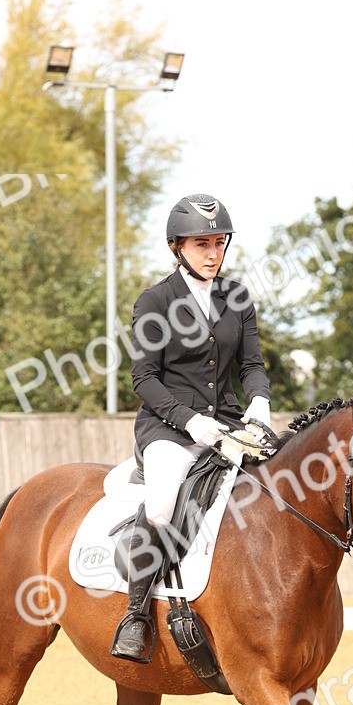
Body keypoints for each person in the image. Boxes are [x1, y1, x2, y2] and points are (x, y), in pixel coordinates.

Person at [110, 192, 272, 661]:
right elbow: (144, 379)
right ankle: (136, 616)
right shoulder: (155, 301)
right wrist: (191, 422)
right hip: (167, 428)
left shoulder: (236, 296)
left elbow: (252, 365)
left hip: (228, 424)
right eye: (201, 244)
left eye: (219, 243)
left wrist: (258, 403)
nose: (212, 253)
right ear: (176, 247)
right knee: (162, 505)